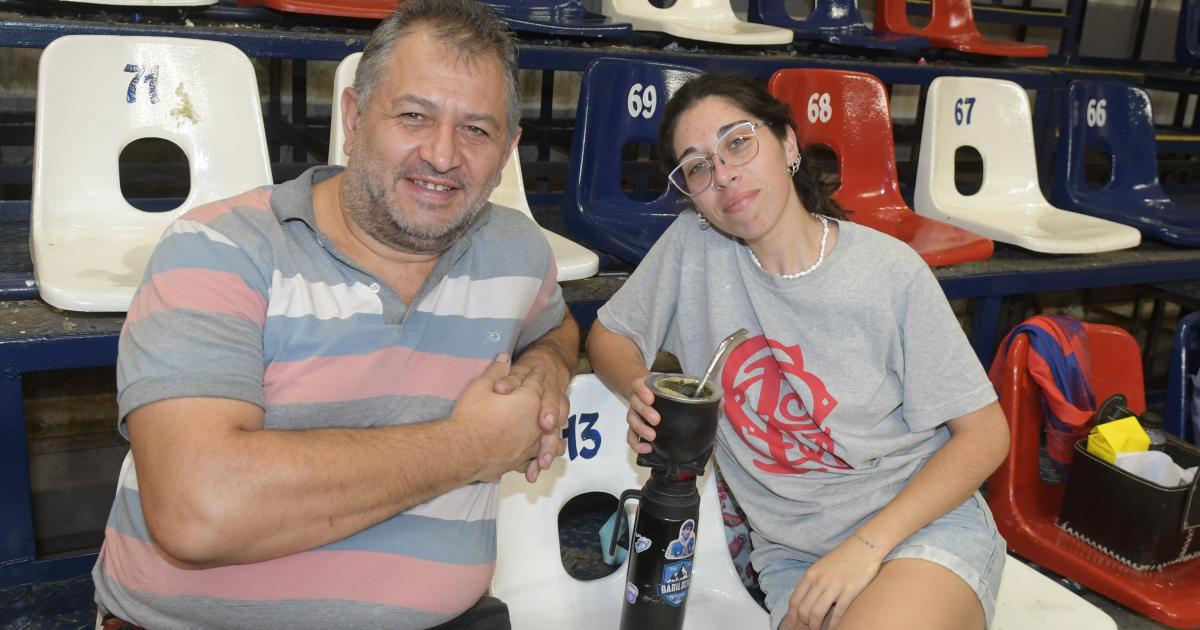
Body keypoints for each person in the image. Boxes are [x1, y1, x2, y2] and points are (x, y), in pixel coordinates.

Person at [91, 2, 578, 628]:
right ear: (352, 117)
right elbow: (197, 511)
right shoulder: (218, 250)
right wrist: (471, 446)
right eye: (413, 116)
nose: (442, 154)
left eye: (477, 130)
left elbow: (554, 329)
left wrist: (547, 370)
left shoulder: (517, 252)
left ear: (508, 148)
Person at [587, 73, 1010, 630]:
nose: (724, 175)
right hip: (793, 557)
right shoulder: (694, 248)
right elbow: (608, 335)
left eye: (738, 142)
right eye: (697, 167)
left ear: (787, 143)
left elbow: (985, 435)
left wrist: (863, 548)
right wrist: (640, 388)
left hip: (914, 527)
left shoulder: (888, 271)